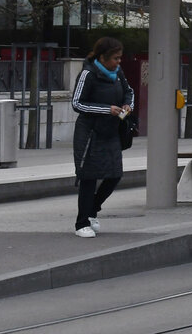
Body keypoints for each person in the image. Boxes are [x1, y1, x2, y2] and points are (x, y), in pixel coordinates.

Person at [71, 37, 133, 238]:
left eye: (120, 58)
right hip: (90, 133)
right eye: (115, 58)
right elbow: (77, 104)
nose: (118, 62)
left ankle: (92, 209)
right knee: (88, 177)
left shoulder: (117, 73)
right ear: (102, 57)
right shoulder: (88, 74)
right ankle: (82, 223)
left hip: (111, 132)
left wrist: (127, 105)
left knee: (115, 174)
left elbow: (129, 91)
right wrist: (106, 110)